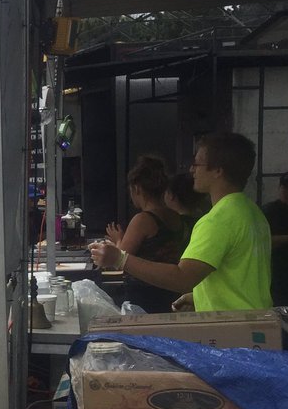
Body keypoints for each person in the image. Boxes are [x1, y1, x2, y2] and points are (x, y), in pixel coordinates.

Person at [90, 133, 272, 312]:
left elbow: (183, 277)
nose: (192, 170)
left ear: (218, 171)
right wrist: (199, 296)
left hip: (233, 327)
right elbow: (241, 276)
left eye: (197, 164)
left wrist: (119, 258)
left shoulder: (218, 220)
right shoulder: (251, 212)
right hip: (255, 318)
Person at [103, 155, 186, 313]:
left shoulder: (142, 220)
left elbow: (120, 260)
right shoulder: (175, 216)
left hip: (144, 298)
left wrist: (118, 240)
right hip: (171, 294)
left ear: (137, 188)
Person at [262, 170, 288, 307]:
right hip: (276, 278)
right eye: (287, 188)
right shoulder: (269, 211)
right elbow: (259, 243)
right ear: (280, 188)